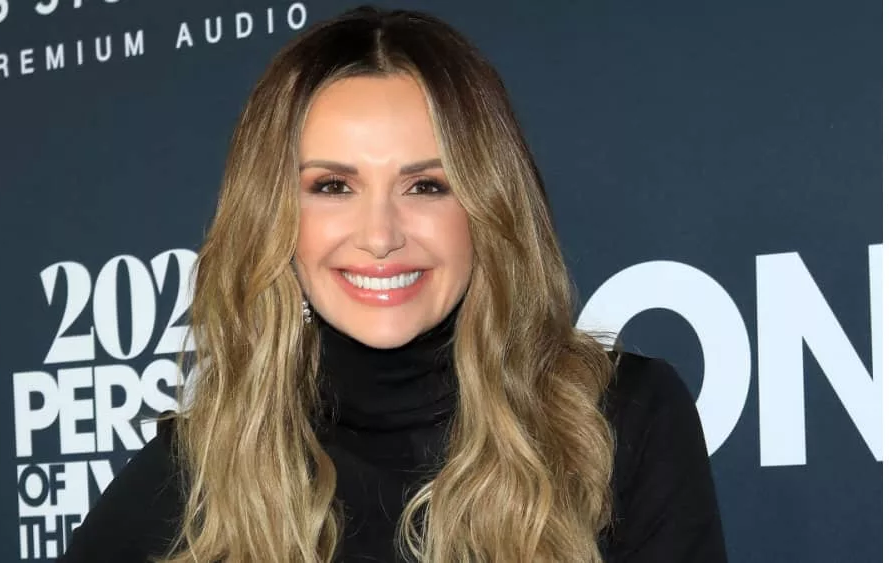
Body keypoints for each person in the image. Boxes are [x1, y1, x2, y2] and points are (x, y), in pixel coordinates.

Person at [58, 6, 727, 563]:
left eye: (426, 185)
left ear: (487, 208)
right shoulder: (199, 467)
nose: (379, 234)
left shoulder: (620, 419)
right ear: (275, 217)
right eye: (333, 186)